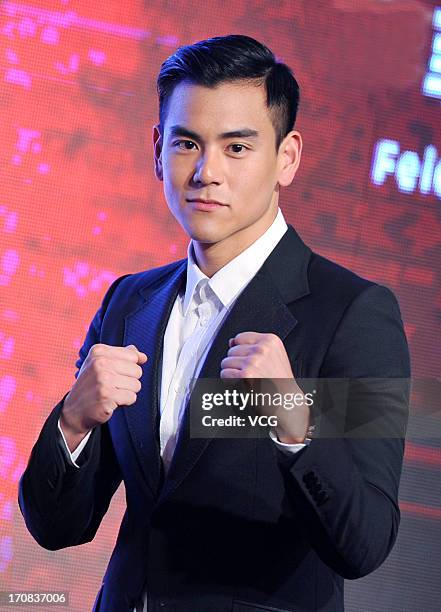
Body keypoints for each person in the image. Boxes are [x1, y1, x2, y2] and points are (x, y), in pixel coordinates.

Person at [18, 35, 410, 612]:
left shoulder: (354, 315)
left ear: (287, 157)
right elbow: (58, 528)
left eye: (237, 148)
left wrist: (295, 421)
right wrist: (72, 420)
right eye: (186, 143)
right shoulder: (130, 303)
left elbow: (364, 542)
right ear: (157, 149)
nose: (206, 172)